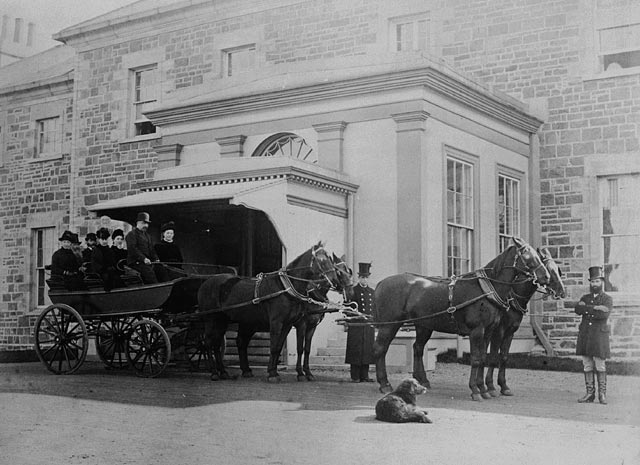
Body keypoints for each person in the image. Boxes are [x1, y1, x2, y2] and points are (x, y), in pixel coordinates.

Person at [575, 265, 613, 405]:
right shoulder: (585, 297)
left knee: (600, 365)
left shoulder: (607, 299)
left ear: (602, 282)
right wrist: (595, 308)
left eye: (597, 281)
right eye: (592, 281)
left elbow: (604, 315)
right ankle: (589, 394)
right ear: (590, 283)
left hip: (599, 337)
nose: (594, 284)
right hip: (585, 335)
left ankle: (602, 395)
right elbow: (577, 309)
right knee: (587, 365)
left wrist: (587, 308)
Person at [345, 262, 376, 383]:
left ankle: (365, 375)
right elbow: (347, 307)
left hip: (368, 325)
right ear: (358, 278)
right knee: (356, 349)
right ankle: (355, 376)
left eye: (366, 277)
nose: (364, 280)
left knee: (367, 349)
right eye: (362, 277)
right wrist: (354, 315)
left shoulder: (372, 292)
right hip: (356, 325)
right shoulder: (353, 291)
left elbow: (374, 308)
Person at [125, 212, 168, 284]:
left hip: (148, 262)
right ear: (138, 223)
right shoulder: (131, 234)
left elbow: (151, 249)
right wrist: (143, 258)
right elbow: (133, 249)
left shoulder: (148, 236)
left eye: (147, 224)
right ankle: (155, 288)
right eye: (143, 223)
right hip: (135, 262)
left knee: (161, 269)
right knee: (149, 273)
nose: (146, 225)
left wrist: (156, 259)